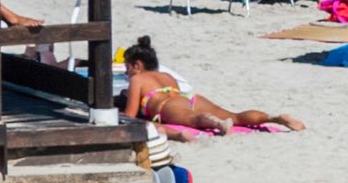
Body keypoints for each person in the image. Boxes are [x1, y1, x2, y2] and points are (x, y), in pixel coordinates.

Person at [120, 35, 301, 136]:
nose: (126, 72)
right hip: (189, 98)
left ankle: (218, 123)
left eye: (127, 67)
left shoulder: (138, 79)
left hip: (165, 106)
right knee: (235, 116)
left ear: (137, 65)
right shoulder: (166, 75)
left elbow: (130, 115)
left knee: (194, 120)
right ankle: (273, 117)